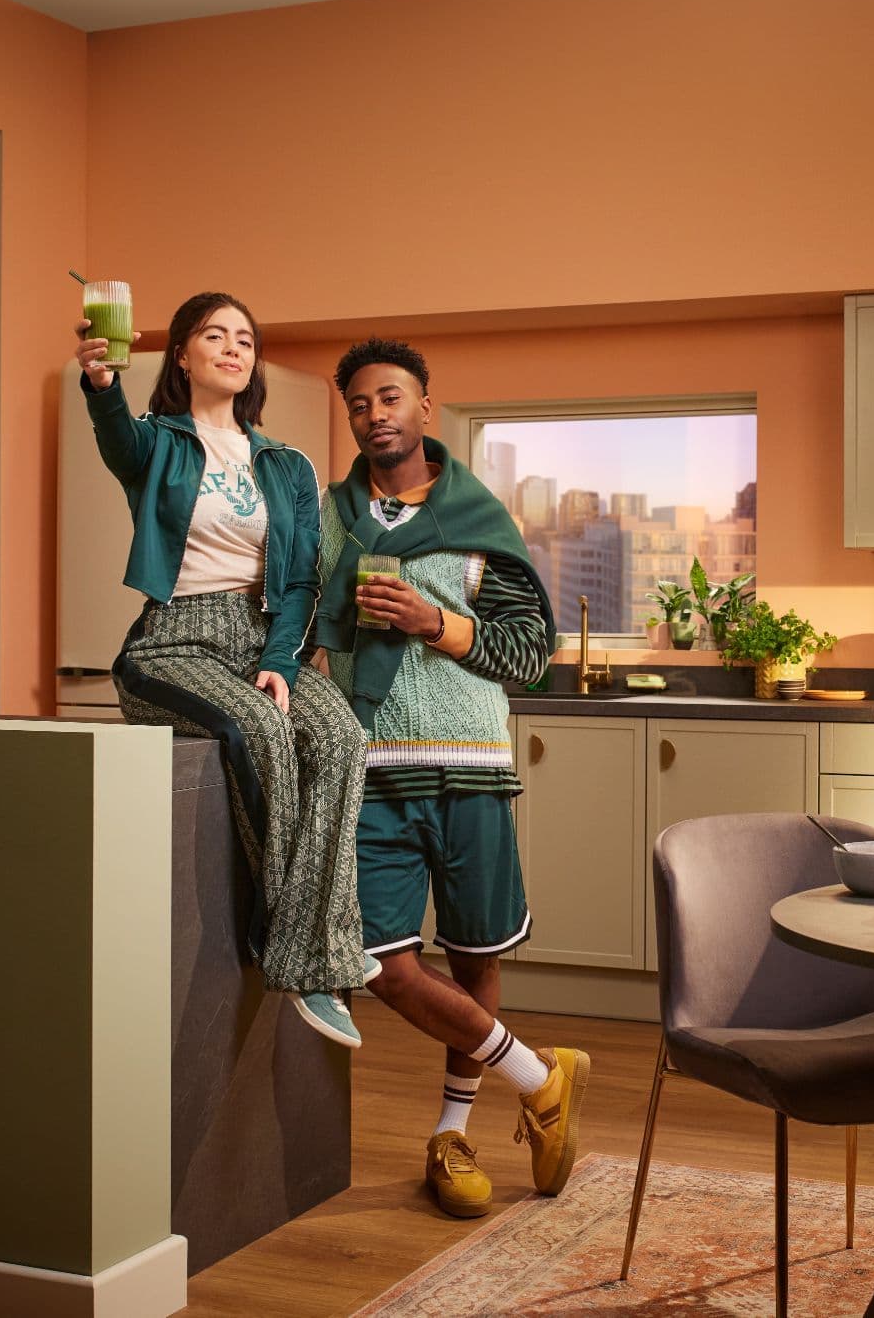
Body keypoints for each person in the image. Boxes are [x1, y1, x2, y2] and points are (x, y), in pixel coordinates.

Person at [314, 336, 588, 1220]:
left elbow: (528, 656)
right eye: (359, 404)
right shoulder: (331, 519)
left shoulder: (479, 521)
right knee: (381, 965)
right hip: (371, 764)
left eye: (390, 398)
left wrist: (436, 622)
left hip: (471, 768)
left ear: (426, 409)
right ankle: (541, 1080)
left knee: (474, 958)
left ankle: (453, 1136)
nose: (375, 415)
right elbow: (301, 617)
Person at [75, 292, 373, 1048]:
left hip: (261, 638)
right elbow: (116, 439)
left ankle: (314, 951)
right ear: (182, 353)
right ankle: (312, 959)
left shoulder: (288, 465)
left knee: (341, 738)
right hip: (173, 642)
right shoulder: (158, 444)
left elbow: (302, 580)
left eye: (246, 338)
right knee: (262, 736)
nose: (234, 348)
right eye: (216, 335)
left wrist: (280, 661)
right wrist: (101, 385)